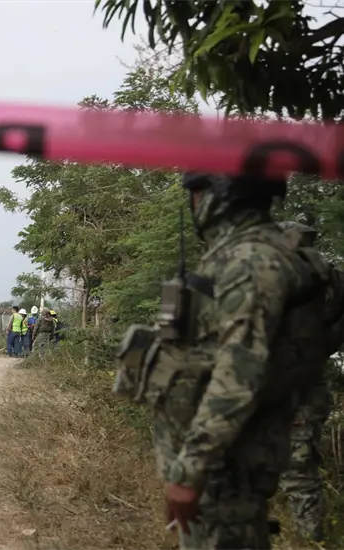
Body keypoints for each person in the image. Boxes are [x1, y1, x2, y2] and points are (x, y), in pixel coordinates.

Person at [113, 172, 329, 550]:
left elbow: (241, 373)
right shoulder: (241, 255)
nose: (193, 203)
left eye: (198, 192)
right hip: (220, 472)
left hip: (226, 470)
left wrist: (191, 469)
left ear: (225, 194)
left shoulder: (252, 262)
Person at [276, 220, 344, 542]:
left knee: (297, 470)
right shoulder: (334, 281)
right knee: (299, 467)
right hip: (309, 384)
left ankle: (310, 540)